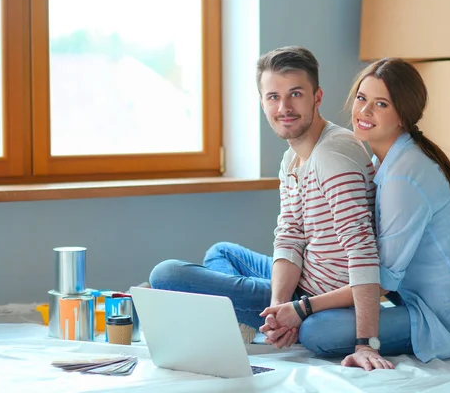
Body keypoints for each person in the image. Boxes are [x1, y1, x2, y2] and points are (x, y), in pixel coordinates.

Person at [149, 45, 396, 371]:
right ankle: (263, 320)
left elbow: (363, 250)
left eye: (295, 94)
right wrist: (278, 305)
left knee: (166, 274)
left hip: (325, 298)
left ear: (317, 97)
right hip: (302, 280)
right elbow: (290, 236)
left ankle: (252, 320)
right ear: (263, 102)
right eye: (273, 97)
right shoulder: (292, 158)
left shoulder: (332, 157)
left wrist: (366, 343)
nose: (284, 107)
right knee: (221, 253)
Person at [339, 57, 450, 366]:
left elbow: (381, 281)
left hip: (440, 321)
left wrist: (304, 307)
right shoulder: (385, 161)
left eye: (381, 104)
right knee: (225, 254)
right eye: (362, 98)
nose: (364, 111)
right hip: (408, 300)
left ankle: (269, 308)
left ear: (403, 118)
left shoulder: (402, 176)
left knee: (317, 330)